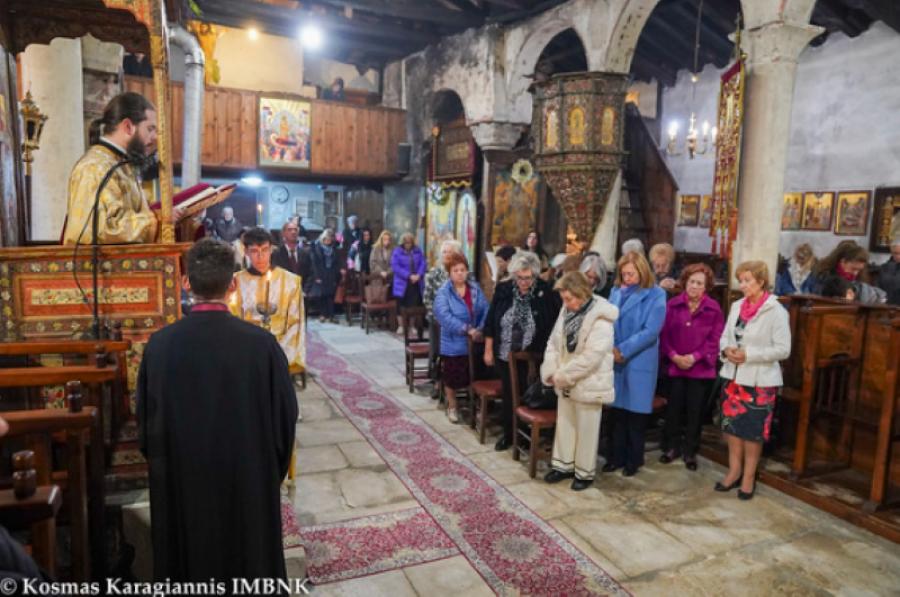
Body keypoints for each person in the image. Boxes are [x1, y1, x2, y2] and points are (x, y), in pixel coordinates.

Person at [138, 238, 297, 582]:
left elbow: (147, 429)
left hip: (184, 489)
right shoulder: (262, 346)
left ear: (186, 283)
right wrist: (267, 474)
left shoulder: (159, 347)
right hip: (248, 486)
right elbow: (285, 422)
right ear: (233, 284)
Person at [62, 92, 180, 244]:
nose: (155, 137)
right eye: (150, 129)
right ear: (128, 127)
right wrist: (156, 220)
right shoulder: (95, 168)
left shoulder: (121, 165)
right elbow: (101, 229)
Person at [717, 260, 791, 500]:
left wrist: (749, 354)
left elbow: (783, 349)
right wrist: (726, 350)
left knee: (753, 432)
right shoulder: (737, 306)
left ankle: (748, 477)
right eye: (741, 280)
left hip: (760, 381)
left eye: (747, 280)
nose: (742, 285)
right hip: (734, 376)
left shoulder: (776, 310)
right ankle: (733, 471)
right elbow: (725, 336)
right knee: (732, 428)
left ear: (761, 281)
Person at [541, 272, 618, 490]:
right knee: (565, 424)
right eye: (563, 299)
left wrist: (563, 376)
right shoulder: (567, 310)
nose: (565, 303)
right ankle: (563, 465)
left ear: (581, 294)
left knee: (587, 429)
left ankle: (584, 473)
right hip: (564, 379)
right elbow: (553, 343)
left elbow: (591, 358)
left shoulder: (601, 317)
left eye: (568, 298)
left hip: (589, 381)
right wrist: (551, 370)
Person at [484, 251, 561, 451]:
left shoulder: (546, 291)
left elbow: (554, 325)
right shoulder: (504, 289)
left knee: (530, 395)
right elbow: (491, 321)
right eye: (519, 277)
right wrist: (488, 349)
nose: (523, 282)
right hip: (505, 352)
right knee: (510, 393)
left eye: (528, 278)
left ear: (535, 275)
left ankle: (528, 435)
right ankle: (510, 435)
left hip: (534, 356)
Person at [604, 251, 667, 476]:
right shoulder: (615, 291)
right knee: (617, 413)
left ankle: (633, 460)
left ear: (642, 271)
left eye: (631, 274)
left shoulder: (656, 294)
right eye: (624, 274)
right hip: (615, 358)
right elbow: (606, 321)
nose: (627, 278)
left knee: (635, 415)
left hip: (639, 358)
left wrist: (624, 349)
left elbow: (651, 331)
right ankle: (615, 457)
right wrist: (612, 348)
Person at [658, 263, 724, 471]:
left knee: (695, 412)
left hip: (700, 368)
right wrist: (674, 356)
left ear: (706, 287)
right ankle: (671, 447)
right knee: (674, 409)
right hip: (675, 365)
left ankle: (690, 451)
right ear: (685, 282)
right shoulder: (673, 305)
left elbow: (715, 339)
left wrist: (695, 357)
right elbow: (664, 334)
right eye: (692, 282)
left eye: (699, 283)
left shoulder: (714, 308)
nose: (694, 286)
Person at [231, 228, 306, 374]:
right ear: (246, 252)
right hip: (246, 349)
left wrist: (277, 355)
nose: (260, 257)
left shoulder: (291, 282)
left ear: (271, 249)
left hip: (279, 348)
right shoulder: (235, 282)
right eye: (254, 251)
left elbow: (296, 323)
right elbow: (232, 320)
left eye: (265, 250)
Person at [433, 253, 489, 423]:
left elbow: (486, 309)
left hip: (476, 340)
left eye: (462, 270)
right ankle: (452, 405)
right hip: (453, 342)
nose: (459, 273)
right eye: (455, 270)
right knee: (452, 376)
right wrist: (466, 329)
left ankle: (477, 407)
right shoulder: (444, 292)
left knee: (478, 374)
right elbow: (443, 316)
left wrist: (480, 329)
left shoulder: (475, 289)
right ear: (449, 273)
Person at [809, 241, 886, 304]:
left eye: (859, 270)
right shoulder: (820, 277)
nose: (855, 273)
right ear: (842, 262)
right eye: (853, 269)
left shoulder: (859, 283)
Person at [308, 228, 343, 323]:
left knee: (331, 294)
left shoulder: (333, 248)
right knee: (322, 295)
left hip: (331, 273)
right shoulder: (316, 247)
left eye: (330, 239)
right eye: (327, 238)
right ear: (323, 238)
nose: (328, 240)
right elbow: (314, 263)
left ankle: (331, 315)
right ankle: (323, 314)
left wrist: (337, 273)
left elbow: (337, 261)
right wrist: (317, 276)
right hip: (321, 272)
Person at [424, 239, 462, 311]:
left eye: (450, 252)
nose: (447, 255)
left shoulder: (464, 274)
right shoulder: (433, 273)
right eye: (444, 252)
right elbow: (427, 300)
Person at [391, 232, 426, 309]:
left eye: (410, 242)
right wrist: (409, 276)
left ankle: (413, 317)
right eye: (406, 242)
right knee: (402, 308)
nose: (408, 244)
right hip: (402, 283)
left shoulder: (418, 250)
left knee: (415, 306)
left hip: (416, 281)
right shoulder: (397, 251)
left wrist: (418, 275)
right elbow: (395, 266)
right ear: (402, 242)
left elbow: (423, 263)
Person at [877, 239, 900, 305]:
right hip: (885, 304)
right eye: (895, 253)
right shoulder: (884, 267)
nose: (898, 256)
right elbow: (878, 286)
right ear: (891, 252)